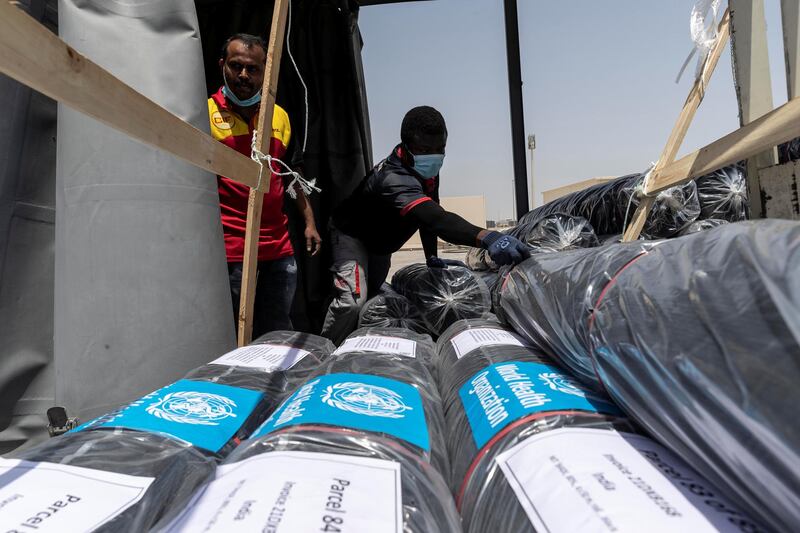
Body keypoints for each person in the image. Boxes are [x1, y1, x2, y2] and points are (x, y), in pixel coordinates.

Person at [321, 105, 530, 343]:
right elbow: (435, 219)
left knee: (372, 294)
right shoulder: (393, 177)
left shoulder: (425, 171)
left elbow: (429, 214)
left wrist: (431, 256)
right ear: (407, 148)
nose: (434, 156)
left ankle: (358, 338)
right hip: (353, 235)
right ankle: (326, 349)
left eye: (440, 149)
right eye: (425, 149)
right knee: (352, 300)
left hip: (381, 243)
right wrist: (487, 237)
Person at [208, 33, 321, 336]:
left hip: (278, 248)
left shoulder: (280, 117)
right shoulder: (204, 114)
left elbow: (291, 177)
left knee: (276, 333)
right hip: (230, 250)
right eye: (236, 66)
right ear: (223, 66)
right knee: (231, 334)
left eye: (253, 69)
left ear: (265, 72)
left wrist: (309, 221)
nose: (243, 75)